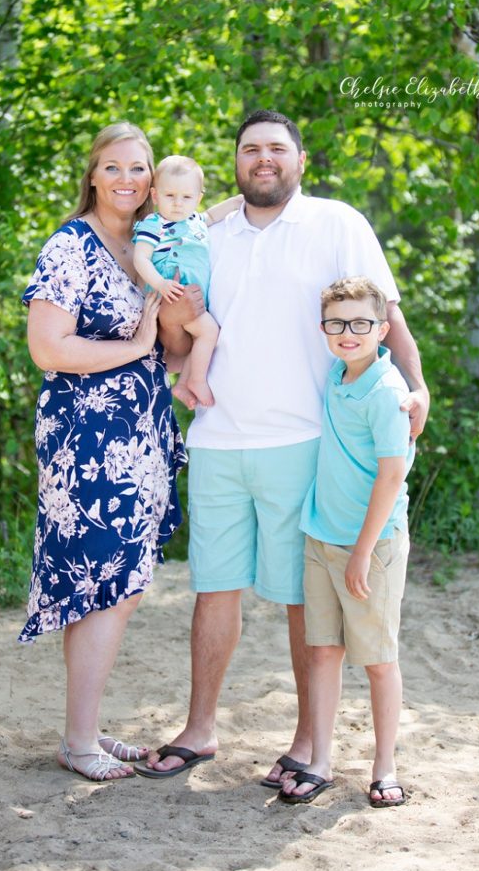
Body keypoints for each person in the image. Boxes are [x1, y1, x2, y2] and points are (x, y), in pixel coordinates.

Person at [135, 109, 429, 783]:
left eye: (275, 148)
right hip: (215, 440)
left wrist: (416, 386)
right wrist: (175, 336)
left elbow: (386, 315)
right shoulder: (205, 229)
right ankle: (200, 729)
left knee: (303, 600)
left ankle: (305, 741)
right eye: (248, 150)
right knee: (213, 589)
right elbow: (181, 341)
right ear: (233, 161)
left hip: (303, 440)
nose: (262, 159)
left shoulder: (337, 223)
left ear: (300, 157)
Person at [20, 121, 187, 782]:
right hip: (85, 438)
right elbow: (50, 347)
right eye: (112, 167)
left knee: (121, 584)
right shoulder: (71, 246)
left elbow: (169, 351)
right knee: (98, 585)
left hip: (142, 433)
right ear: (92, 174)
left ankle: (83, 729)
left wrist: (175, 331)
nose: (126, 179)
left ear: (152, 179)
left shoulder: (150, 246)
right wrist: (135, 348)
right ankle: (78, 739)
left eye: (138, 168)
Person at [278, 276, 414, 808]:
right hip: (321, 536)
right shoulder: (337, 374)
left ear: (382, 329)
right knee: (323, 653)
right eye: (337, 324)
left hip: (371, 546)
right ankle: (320, 762)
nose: (348, 333)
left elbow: (391, 474)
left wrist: (361, 550)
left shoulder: (386, 392)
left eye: (361, 324)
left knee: (378, 658)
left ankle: (384, 767)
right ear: (324, 330)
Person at [133, 155, 242, 408]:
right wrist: (160, 284)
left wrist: (237, 202)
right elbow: (141, 259)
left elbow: (213, 215)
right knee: (209, 331)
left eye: (187, 197)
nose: (178, 204)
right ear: (155, 195)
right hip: (170, 294)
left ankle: (183, 384)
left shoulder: (195, 221)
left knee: (201, 337)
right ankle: (197, 381)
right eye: (170, 196)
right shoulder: (154, 224)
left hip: (192, 299)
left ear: (198, 198)